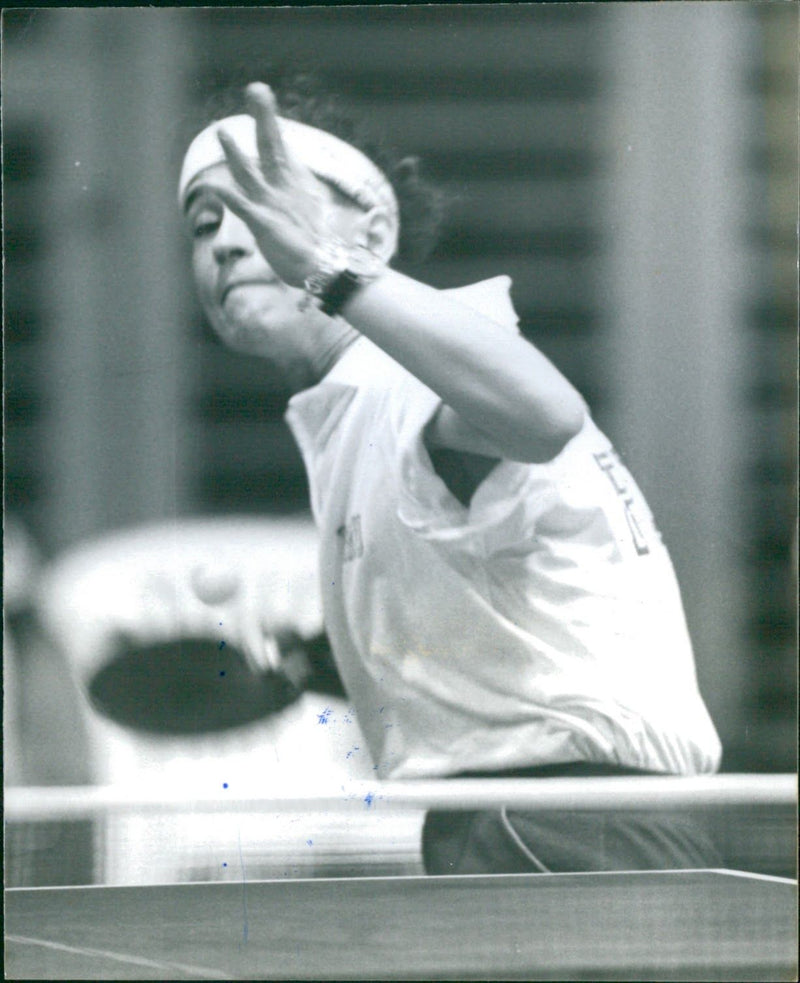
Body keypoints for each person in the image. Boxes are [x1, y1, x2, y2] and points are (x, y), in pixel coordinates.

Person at [177, 80, 723, 874]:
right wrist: (330, 659)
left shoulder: (412, 375)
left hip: (560, 824)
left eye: (262, 203)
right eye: (203, 222)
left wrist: (330, 269)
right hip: (516, 820)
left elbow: (545, 414)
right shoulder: (356, 404)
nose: (227, 240)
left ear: (373, 229)